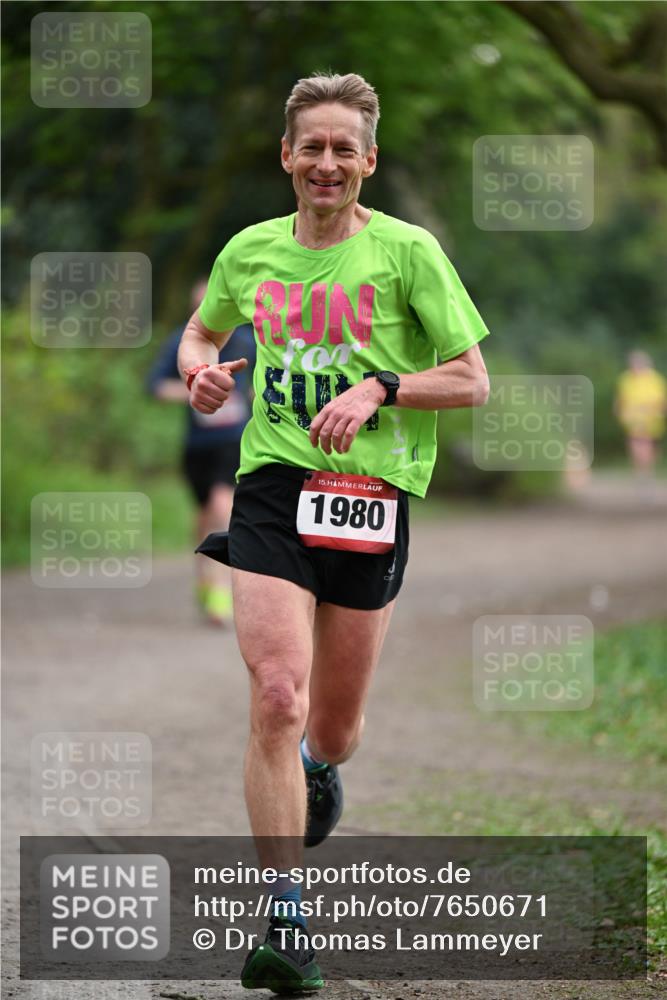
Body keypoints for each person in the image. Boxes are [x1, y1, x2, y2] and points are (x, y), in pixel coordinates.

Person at [178, 72, 490, 992]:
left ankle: (321, 765)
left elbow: (472, 380)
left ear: (368, 161)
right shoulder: (250, 251)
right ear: (285, 155)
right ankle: (287, 920)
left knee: (334, 725)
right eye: (309, 146)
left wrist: (380, 387)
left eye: (342, 148)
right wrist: (203, 375)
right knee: (276, 693)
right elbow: (201, 336)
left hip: (370, 491)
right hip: (273, 483)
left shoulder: (407, 254)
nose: (325, 162)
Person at [147, 279, 255, 624]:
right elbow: (154, 386)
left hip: (235, 440)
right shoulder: (182, 342)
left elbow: (267, 383)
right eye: (201, 308)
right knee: (203, 515)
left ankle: (221, 592)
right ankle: (205, 581)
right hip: (197, 445)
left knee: (223, 504)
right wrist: (196, 390)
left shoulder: (248, 342)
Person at [614, 350, 667, 477]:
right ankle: (642, 473)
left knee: (648, 449)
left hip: (652, 421)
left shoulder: (656, 379)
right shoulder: (625, 379)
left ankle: (646, 469)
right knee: (637, 446)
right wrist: (618, 410)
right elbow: (620, 398)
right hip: (632, 420)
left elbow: (662, 401)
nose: (635, 368)